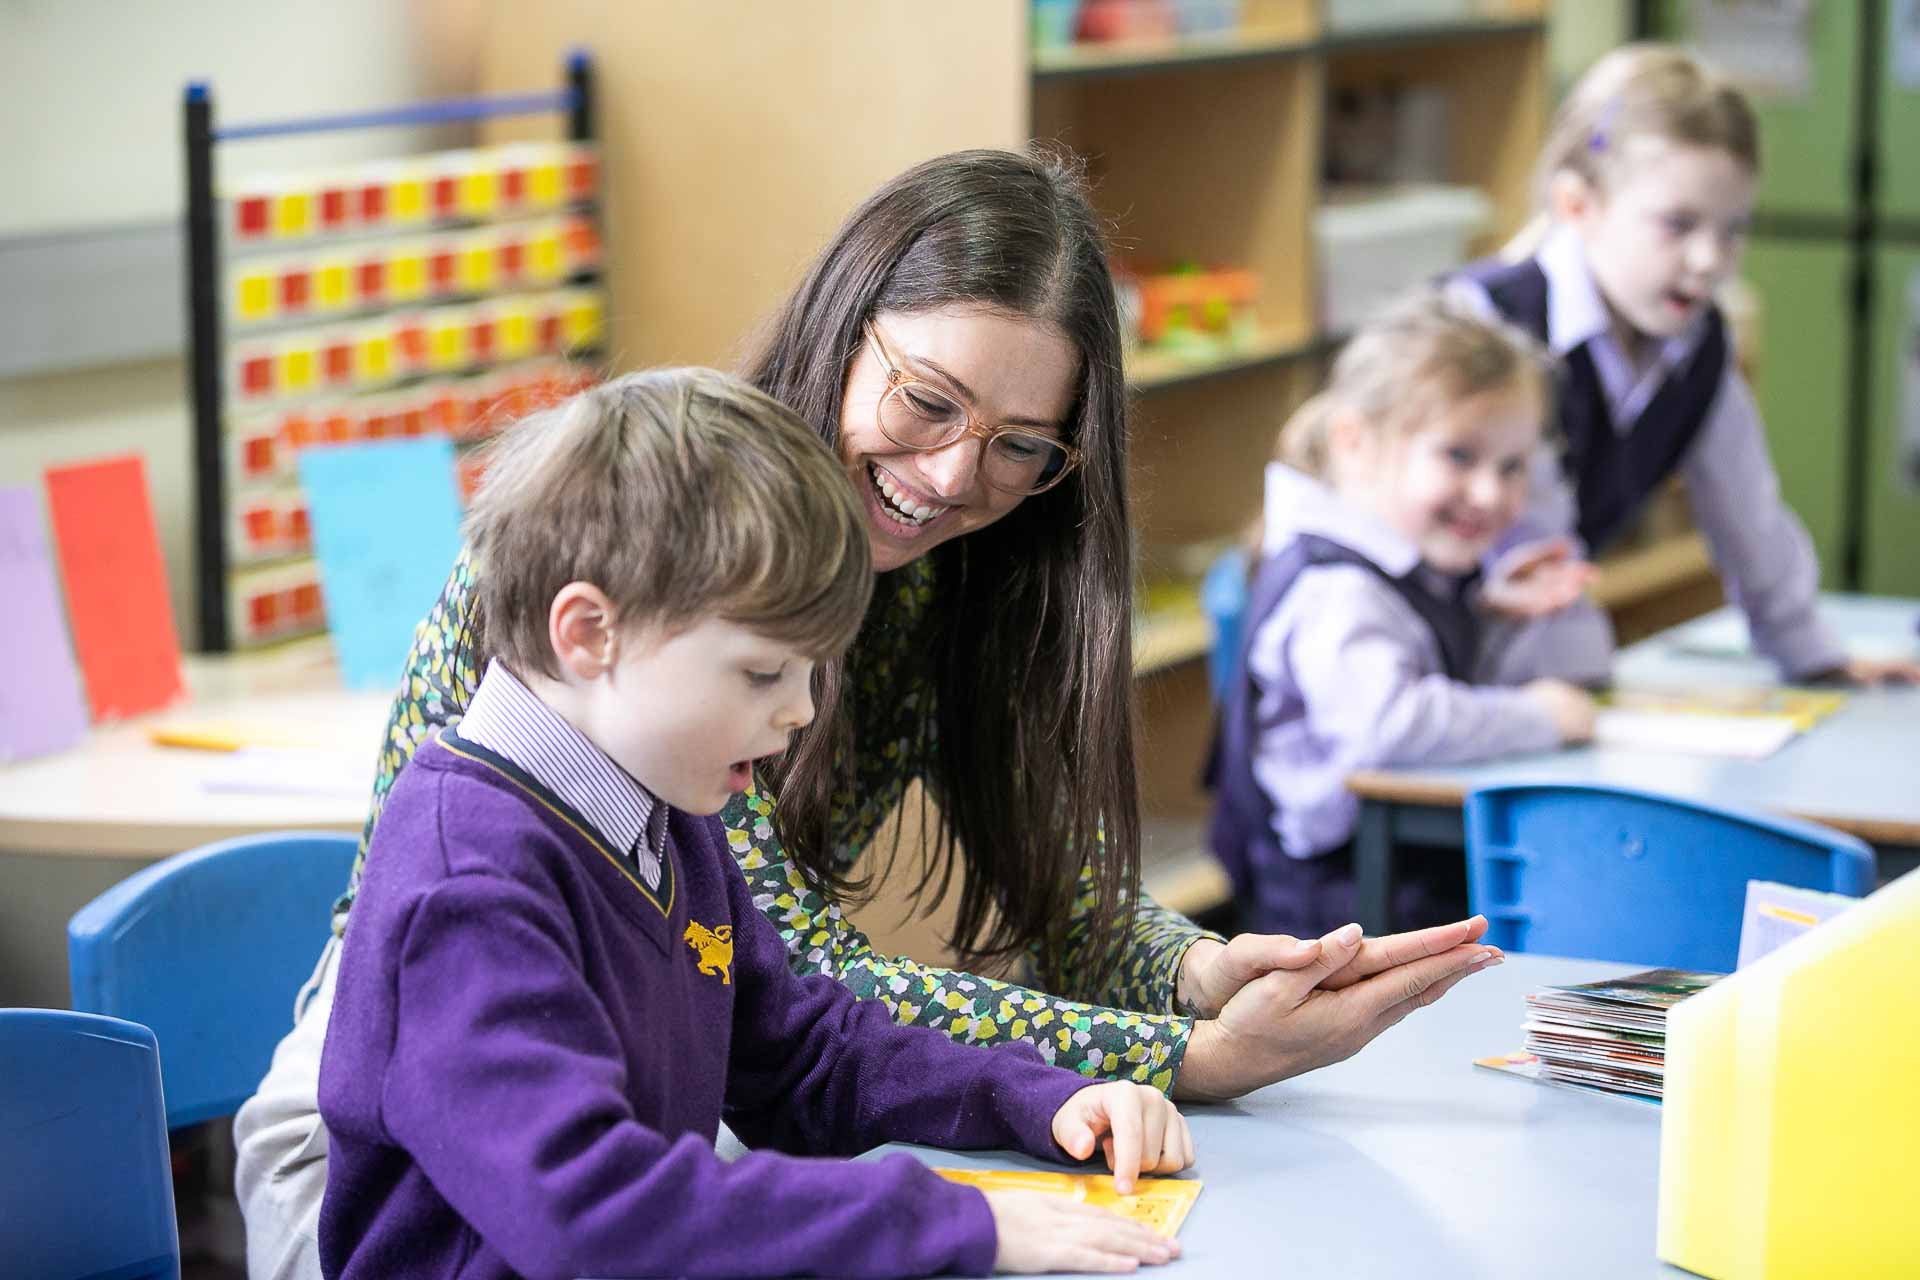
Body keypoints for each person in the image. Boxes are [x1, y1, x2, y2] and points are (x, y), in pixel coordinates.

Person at [238, 148, 1502, 1280]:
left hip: (627, 1148)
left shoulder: (678, 787)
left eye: (1020, 446)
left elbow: (799, 1033)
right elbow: (592, 1203)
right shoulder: (543, 764)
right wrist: (1014, 1181)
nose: (957, 476)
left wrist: (1149, 1014)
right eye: (927, 402)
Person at [318, 368, 1192, 1278]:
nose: (803, 712)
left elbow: (800, 1055)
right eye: (761, 673)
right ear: (588, 634)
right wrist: (949, 1217)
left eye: (812, 671)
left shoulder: (657, 807)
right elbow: (590, 1213)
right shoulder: (466, 885)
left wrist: (1038, 1097)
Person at [1454, 44, 1920, 687]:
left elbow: (1750, 518)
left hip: (1519, 683)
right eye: (1678, 224)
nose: (1710, 260)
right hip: (1413, 678)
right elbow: (1531, 547)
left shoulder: (1696, 347)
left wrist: (1816, 657)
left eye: (1733, 230)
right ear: (1578, 206)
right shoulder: (1480, 325)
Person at [1209, 293, 1595, 938]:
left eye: (1513, 466)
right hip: (1333, 920)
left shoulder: (1396, 566)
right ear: (1356, 444)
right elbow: (1386, 724)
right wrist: (1542, 717)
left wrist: (1481, 612)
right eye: (1459, 456)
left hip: (1377, 890)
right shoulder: (1340, 590)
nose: (1491, 493)